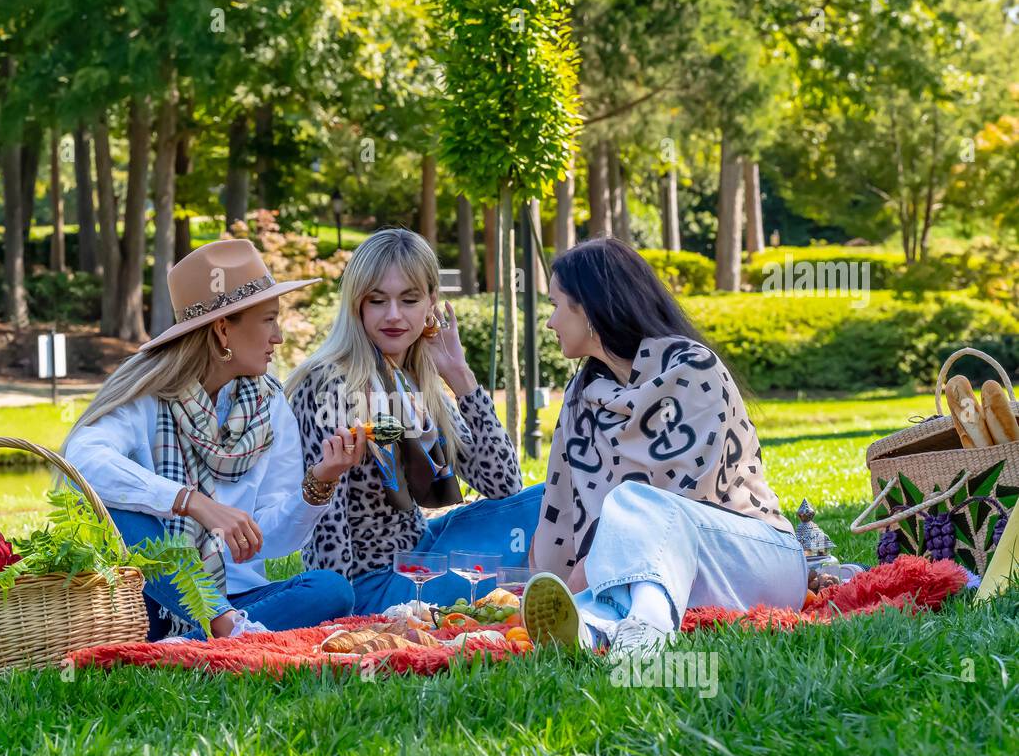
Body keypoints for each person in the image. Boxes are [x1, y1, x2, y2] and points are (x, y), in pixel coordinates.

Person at [62, 238, 362, 641]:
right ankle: (224, 628)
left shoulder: (270, 406)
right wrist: (191, 503)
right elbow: (81, 458)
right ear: (223, 329)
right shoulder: (149, 398)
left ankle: (208, 639)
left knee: (332, 590)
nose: (279, 338)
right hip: (160, 595)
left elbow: (269, 541)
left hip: (243, 597)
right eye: (268, 320)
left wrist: (319, 481)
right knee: (122, 513)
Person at [522, 237, 807, 658]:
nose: (550, 322)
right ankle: (596, 628)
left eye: (555, 305)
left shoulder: (693, 369)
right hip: (651, 577)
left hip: (749, 556)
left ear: (590, 308)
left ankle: (645, 626)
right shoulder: (583, 396)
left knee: (637, 504)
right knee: (630, 544)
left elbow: (692, 502)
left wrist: (596, 561)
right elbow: (562, 504)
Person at [286, 227, 542, 614]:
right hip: (372, 586)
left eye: (408, 299)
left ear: (431, 304)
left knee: (548, 499)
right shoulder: (328, 383)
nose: (393, 315)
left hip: (422, 553)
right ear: (357, 305)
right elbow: (327, 518)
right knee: (547, 517)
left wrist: (459, 375)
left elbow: (503, 484)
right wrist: (336, 615)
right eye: (377, 301)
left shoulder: (418, 379)